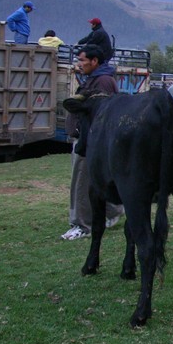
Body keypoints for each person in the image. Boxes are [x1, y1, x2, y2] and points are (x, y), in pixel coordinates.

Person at [62, 45, 124, 240]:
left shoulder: (103, 82)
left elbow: (101, 114)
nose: (79, 64)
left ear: (94, 61)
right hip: (88, 139)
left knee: (82, 181)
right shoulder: (96, 79)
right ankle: (113, 211)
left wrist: (88, 139)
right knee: (98, 179)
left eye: (82, 60)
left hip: (89, 141)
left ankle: (82, 224)